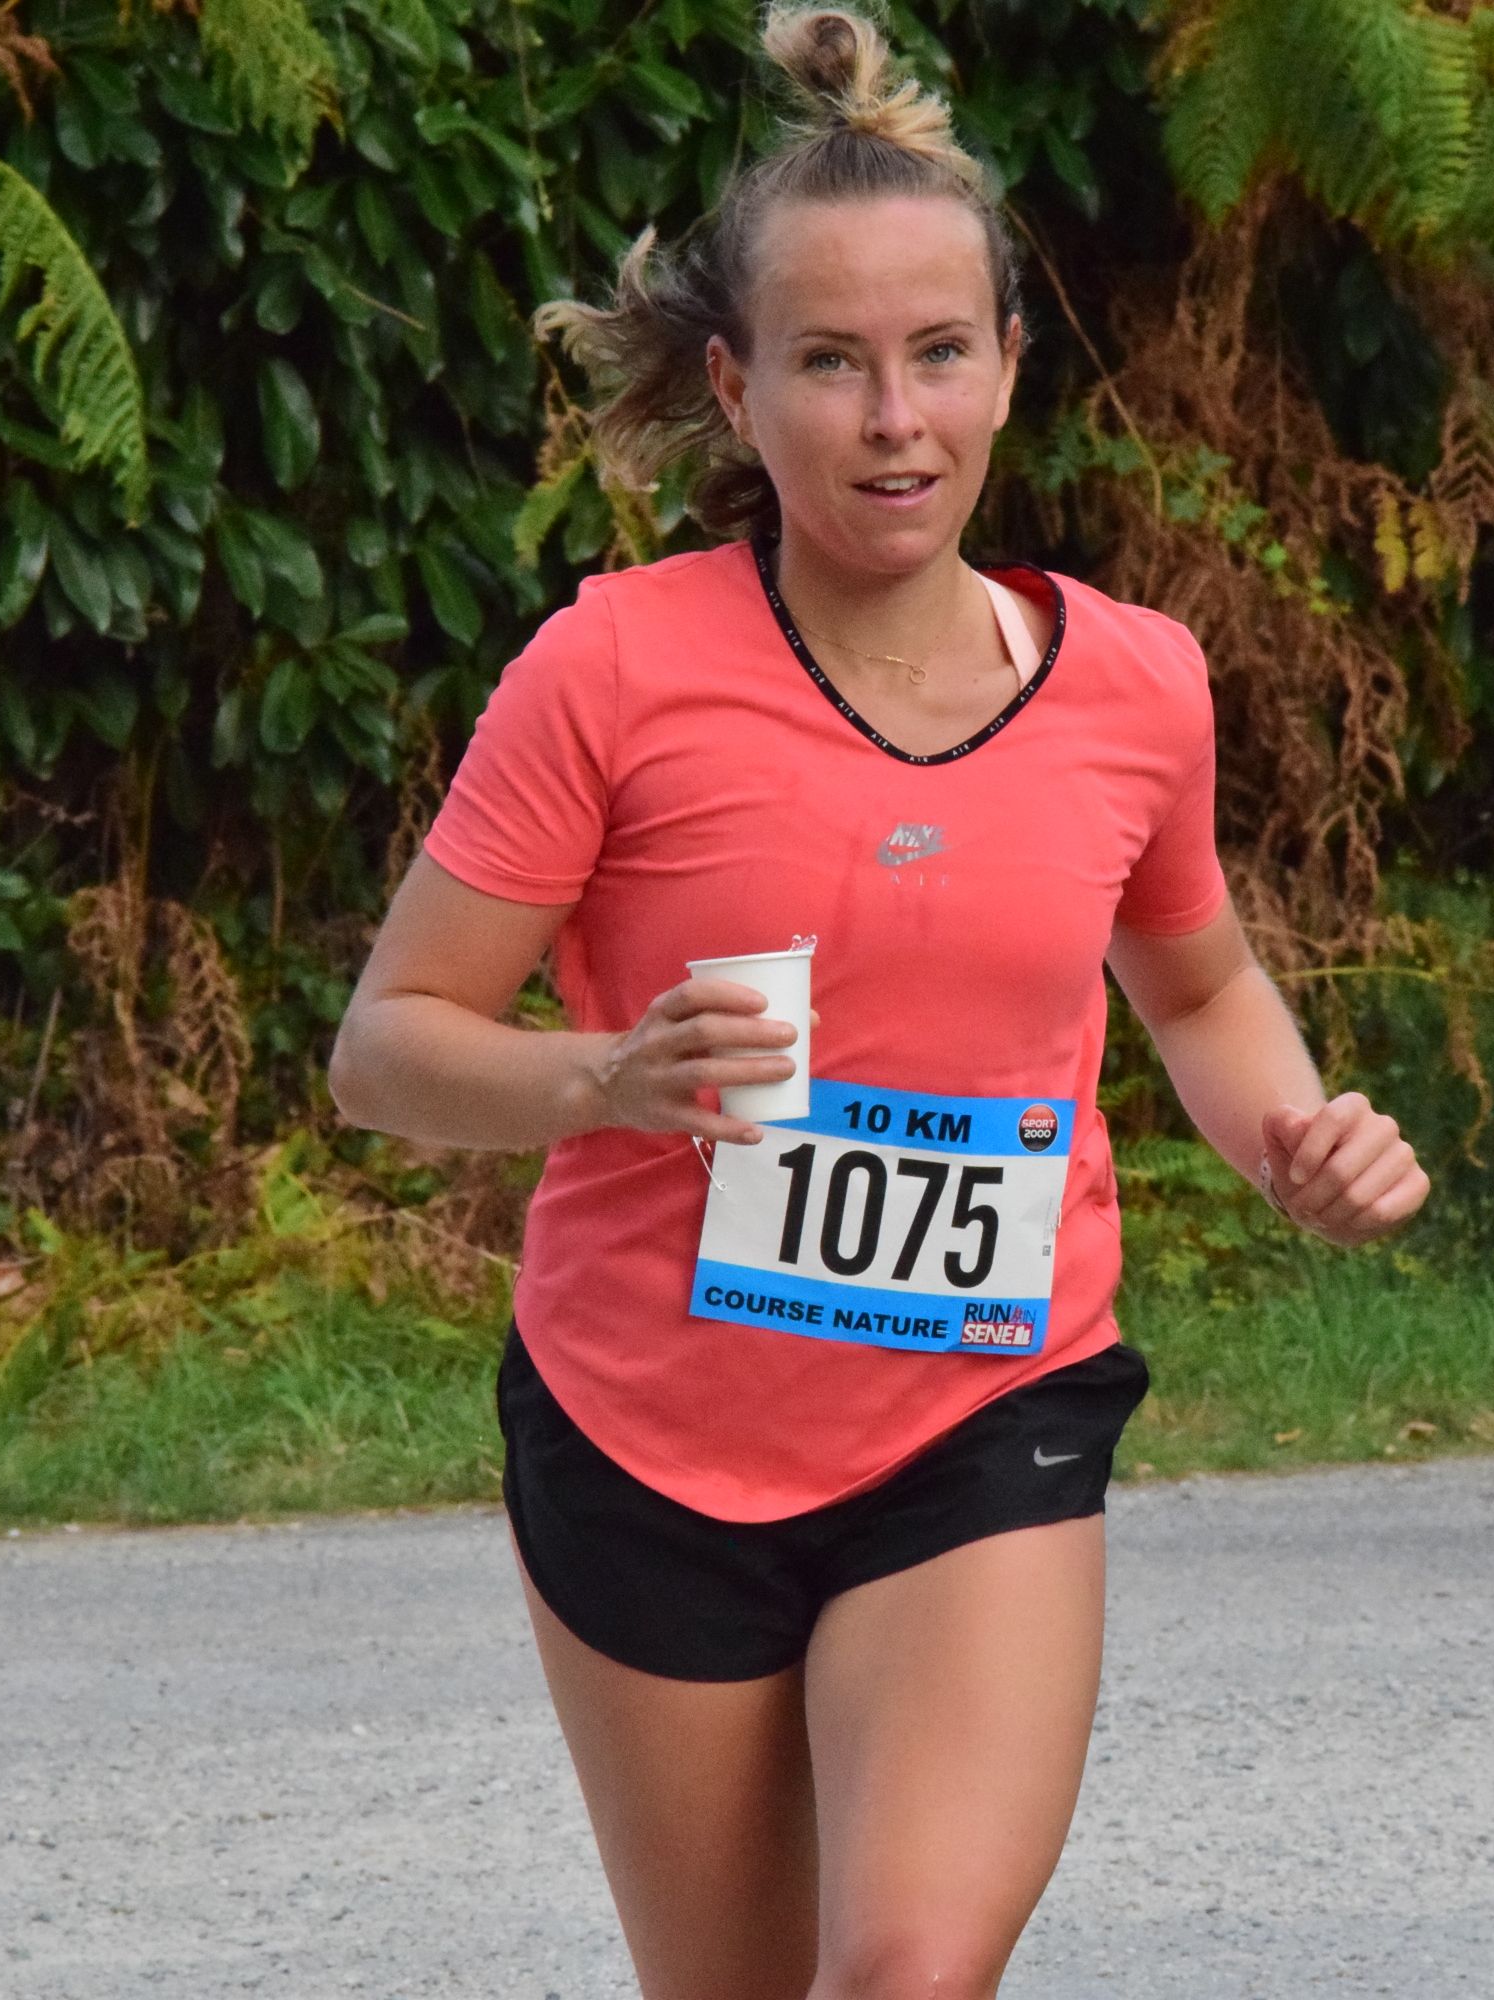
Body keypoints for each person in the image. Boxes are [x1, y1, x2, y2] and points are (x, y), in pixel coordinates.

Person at [326, 6, 1430, 1994]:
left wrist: (1293, 1136)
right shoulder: (610, 673)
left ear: (1009, 365)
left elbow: (1199, 988)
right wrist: (607, 1076)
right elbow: (387, 1049)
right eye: (830, 362)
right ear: (736, 388)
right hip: (646, 1433)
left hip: (982, 1414)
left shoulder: (1134, 685)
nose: (892, 417)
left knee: (912, 1969)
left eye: (937, 354)